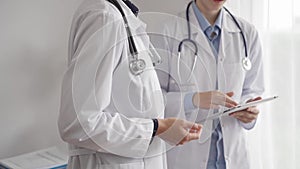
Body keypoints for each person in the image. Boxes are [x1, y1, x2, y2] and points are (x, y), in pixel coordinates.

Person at [57, 0, 202, 169]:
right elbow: (78, 123)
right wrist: (157, 127)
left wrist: (162, 127)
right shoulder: (104, 17)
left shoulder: (120, 15)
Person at [154, 0, 265, 168]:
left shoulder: (247, 33)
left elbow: (252, 90)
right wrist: (193, 100)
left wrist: (249, 111)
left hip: (233, 156)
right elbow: (153, 100)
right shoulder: (167, 31)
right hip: (185, 157)